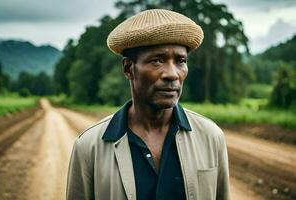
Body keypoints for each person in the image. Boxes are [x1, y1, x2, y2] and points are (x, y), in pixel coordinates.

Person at [66, 9, 230, 200]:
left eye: (180, 61)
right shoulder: (89, 147)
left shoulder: (211, 137)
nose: (172, 73)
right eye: (157, 60)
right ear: (129, 69)